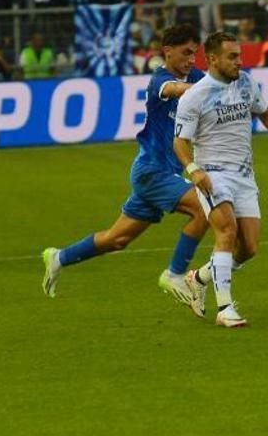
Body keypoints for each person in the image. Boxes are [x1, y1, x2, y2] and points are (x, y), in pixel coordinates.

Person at [41, 24, 209, 306]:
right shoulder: (160, 81)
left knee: (117, 240)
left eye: (195, 54)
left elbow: (209, 85)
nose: (192, 59)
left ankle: (59, 257)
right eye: (186, 53)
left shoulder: (194, 75)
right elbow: (180, 90)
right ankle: (176, 273)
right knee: (204, 208)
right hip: (153, 172)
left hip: (155, 174)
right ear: (168, 52)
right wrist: (208, 89)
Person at [174, 31, 268, 327]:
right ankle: (225, 309)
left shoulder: (247, 82)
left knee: (248, 248)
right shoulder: (195, 96)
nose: (240, 61)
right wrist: (193, 170)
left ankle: (198, 278)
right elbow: (180, 142)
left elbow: (265, 112)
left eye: (240, 55)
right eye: (232, 56)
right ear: (212, 59)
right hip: (212, 174)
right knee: (227, 232)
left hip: (245, 176)